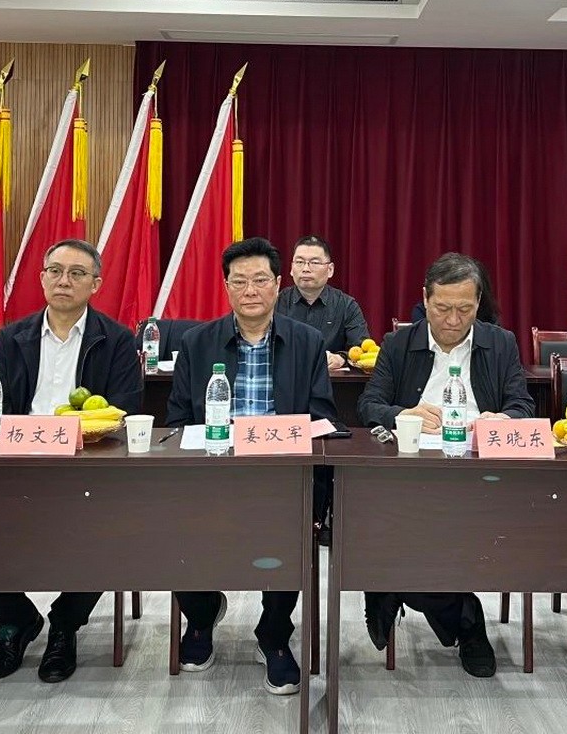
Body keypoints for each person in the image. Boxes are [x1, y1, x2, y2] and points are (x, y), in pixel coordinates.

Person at [0, 239, 143, 684]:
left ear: (96, 284)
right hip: (16, 465)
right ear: (41, 278)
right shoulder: (12, 338)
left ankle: (65, 624)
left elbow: (123, 410)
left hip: (88, 469)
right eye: (55, 271)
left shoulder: (118, 340)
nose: (64, 281)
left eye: (77, 273)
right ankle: (16, 619)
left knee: (114, 527)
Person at [165, 237, 336, 696]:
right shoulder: (196, 343)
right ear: (226, 287)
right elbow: (177, 420)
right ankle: (200, 618)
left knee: (291, 527)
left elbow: (323, 418)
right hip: (211, 475)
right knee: (175, 521)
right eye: (239, 281)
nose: (250, 290)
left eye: (260, 280)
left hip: (282, 477)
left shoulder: (307, 342)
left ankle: (274, 633)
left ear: (278, 284)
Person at [359, 253, 533, 679]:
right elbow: (368, 405)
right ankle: (467, 620)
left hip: (480, 478)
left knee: (416, 548)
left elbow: (523, 406)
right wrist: (403, 413)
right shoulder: (399, 343)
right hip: (412, 476)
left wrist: (502, 420)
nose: (453, 320)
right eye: (442, 308)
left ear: (479, 303)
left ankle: (391, 589)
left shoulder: (500, 343)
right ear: (425, 298)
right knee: (399, 533)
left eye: (465, 309)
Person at [275, 235, 371, 371]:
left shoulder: (346, 305)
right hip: (286, 378)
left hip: (331, 381)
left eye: (314, 263)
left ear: (330, 269)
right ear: (291, 268)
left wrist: (341, 358)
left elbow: (362, 349)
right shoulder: (276, 303)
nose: (305, 269)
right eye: (299, 262)